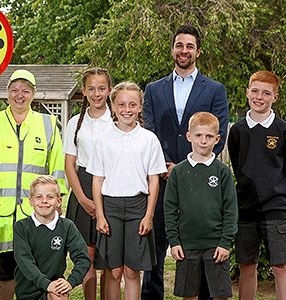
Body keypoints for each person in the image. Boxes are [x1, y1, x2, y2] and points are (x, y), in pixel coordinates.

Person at [141, 24, 229, 300]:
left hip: (200, 181)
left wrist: (184, 166)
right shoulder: (154, 90)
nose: (184, 51)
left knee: (198, 246)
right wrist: (166, 165)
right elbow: (149, 133)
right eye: (179, 45)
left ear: (198, 51)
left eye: (190, 46)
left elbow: (219, 133)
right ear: (172, 49)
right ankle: (152, 296)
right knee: (154, 247)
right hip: (161, 177)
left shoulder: (215, 90)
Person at [0, 69, 67, 300]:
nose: (19, 95)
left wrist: (59, 204)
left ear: (34, 94)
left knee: (33, 272)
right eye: (14, 90)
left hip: (35, 215)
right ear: (7, 93)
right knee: (3, 275)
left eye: (25, 90)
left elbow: (58, 168)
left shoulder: (48, 124)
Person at [88, 82, 166, 300]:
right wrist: (100, 215)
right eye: (121, 104)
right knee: (114, 270)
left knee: (132, 270)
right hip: (111, 208)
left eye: (132, 104)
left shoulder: (149, 139)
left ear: (140, 107)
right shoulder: (103, 139)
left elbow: (153, 180)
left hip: (138, 208)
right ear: (113, 106)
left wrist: (149, 215)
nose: (127, 109)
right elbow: (97, 180)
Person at [228, 71, 286, 300]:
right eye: (255, 91)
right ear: (248, 92)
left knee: (280, 267)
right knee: (246, 267)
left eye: (266, 93)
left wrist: (281, 195)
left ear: (275, 97)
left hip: (275, 209)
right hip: (246, 210)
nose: (259, 97)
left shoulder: (284, 130)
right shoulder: (237, 130)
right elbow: (237, 164)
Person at [164, 112, 238, 300]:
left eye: (209, 136)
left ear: (217, 139)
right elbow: (170, 210)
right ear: (189, 137)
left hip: (215, 245)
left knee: (220, 294)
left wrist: (224, 243)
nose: (203, 141)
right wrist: (174, 242)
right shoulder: (178, 172)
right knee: (189, 295)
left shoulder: (222, 171)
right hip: (187, 245)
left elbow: (230, 210)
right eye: (198, 135)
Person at [63, 67, 112, 300]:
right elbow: (69, 165)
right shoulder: (75, 123)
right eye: (91, 89)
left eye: (101, 88)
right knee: (87, 255)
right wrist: (82, 199)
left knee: (110, 258)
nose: (96, 93)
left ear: (109, 90)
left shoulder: (116, 120)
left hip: (112, 187)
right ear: (84, 91)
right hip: (82, 187)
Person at [13, 175, 91, 300]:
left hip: (55, 287)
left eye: (50, 197)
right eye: (39, 197)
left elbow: (83, 258)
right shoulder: (22, 227)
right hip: (28, 291)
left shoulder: (67, 226)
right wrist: (46, 284)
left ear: (59, 201)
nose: (44, 201)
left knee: (59, 296)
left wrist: (71, 282)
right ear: (31, 201)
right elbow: (24, 261)